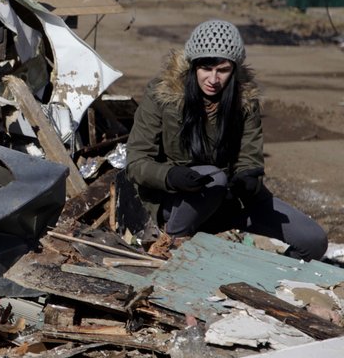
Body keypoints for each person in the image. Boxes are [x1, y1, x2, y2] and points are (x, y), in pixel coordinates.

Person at [125, 19, 328, 261]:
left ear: (234, 69)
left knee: (313, 240)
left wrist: (248, 180)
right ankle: (170, 248)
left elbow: (249, 159)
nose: (213, 79)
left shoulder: (245, 101)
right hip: (175, 200)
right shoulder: (161, 96)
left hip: (230, 200)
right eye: (205, 68)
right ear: (192, 66)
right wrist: (170, 176)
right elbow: (135, 163)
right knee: (214, 179)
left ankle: (268, 282)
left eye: (222, 70)